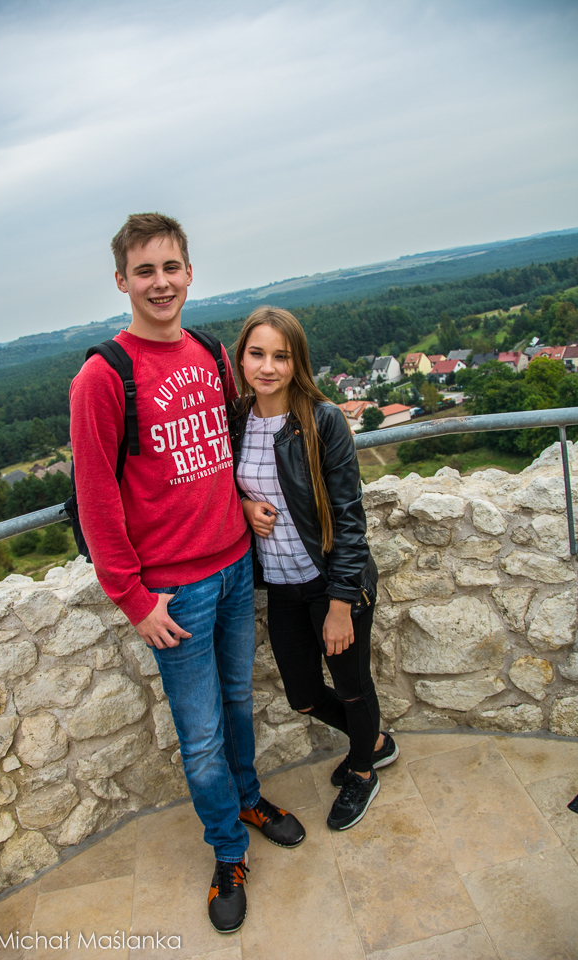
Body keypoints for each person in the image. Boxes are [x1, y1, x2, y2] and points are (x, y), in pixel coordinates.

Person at [69, 214, 304, 935]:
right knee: (200, 737)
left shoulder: (209, 351)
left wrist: (241, 501)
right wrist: (134, 601)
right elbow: (96, 500)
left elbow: (215, 451)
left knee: (238, 703)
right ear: (122, 281)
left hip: (234, 565)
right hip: (174, 594)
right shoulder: (103, 377)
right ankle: (228, 853)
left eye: (171, 267)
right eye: (145, 270)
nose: (160, 282)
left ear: (190, 273)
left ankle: (248, 799)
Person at [230, 306, 399, 831]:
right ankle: (373, 741)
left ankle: (363, 771)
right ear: (241, 359)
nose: (268, 367)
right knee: (302, 696)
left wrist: (341, 603)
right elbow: (221, 486)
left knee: (352, 686)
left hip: (331, 582)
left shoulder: (322, 419)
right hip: (282, 587)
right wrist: (243, 505)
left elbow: (349, 518)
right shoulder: (236, 419)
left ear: (296, 362)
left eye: (281, 356)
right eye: (257, 354)